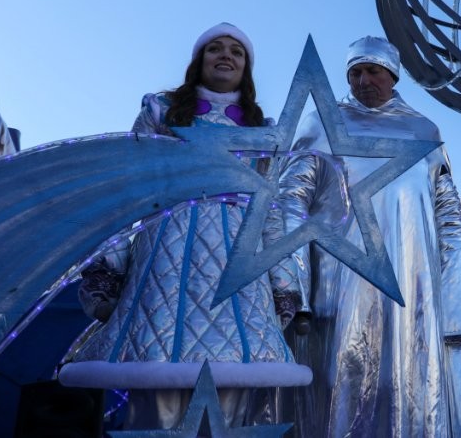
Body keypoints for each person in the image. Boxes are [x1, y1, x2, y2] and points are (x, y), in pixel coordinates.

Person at [59, 22, 309, 430]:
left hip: (238, 262)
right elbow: (131, 187)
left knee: (235, 386)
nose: (225, 55)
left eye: (236, 51)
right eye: (215, 48)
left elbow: (272, 208)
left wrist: (283, 284)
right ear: (199, 60)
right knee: (158, 380)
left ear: (247, 67)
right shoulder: (161, 111)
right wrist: (109, 268)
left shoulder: (264, 129)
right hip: (168, 253)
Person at [276, 36, 461, 437]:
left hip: (413, 290)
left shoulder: (424, 131)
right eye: (354, 72)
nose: (362, 80)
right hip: (339, 290)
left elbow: (450, 220)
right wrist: (295, 290)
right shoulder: (321, 124)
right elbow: (289, 201)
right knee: (341, 389)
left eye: (372, 70)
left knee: (410, 389)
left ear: (392, 74)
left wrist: (456, 308)